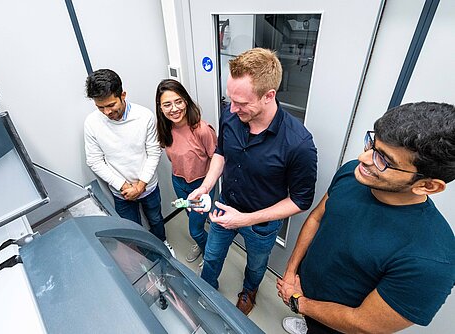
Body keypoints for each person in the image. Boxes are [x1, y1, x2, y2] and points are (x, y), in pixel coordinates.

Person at [277, 102, 455, 334]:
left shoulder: (431, 260)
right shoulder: (354, 174)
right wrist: (291, 273)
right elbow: (316, 219)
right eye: (372, 143)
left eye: (384, 160)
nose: (364, 158)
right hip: (305, 294)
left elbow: (363, 324)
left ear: (427, 185)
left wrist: (298, 302)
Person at [188, 48, 318, 315]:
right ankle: (205, 289)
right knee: (212, 256)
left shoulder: (299, 144)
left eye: (242, 103)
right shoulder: (231, 114)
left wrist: (245, 220)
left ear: (269, 95)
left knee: (257, 266)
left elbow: (301, 200)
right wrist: (206, 186)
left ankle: (249, 291)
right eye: (231, 100)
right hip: (225, 207)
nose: (232, 109)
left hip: (261, 225)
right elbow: (221, 152)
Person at [84, 69, 174, 256]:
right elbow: (94, 161)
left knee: (156, 219)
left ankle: (163, 246)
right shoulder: (92, 123)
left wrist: (141, 185)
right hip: (121, 192)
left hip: (148, 187)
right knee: (133, 229)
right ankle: (147, 258)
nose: (107, 112)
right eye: (100, 107)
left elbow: (154, 151)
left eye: (110, 105)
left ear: (122, 95)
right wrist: (123, 185)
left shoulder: (144, 116)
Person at [155, 79, 217, 264]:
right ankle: (202, 242)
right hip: (178, 182)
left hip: (200, 185)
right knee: (191, 216)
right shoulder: (165, 128)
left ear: (186, 101)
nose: (174, 108)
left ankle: (208, 255)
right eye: (167, 104)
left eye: (178, 101)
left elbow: (217, 158)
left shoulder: (202, 130)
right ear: (160, 107)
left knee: (195, 230)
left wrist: (207, 187)